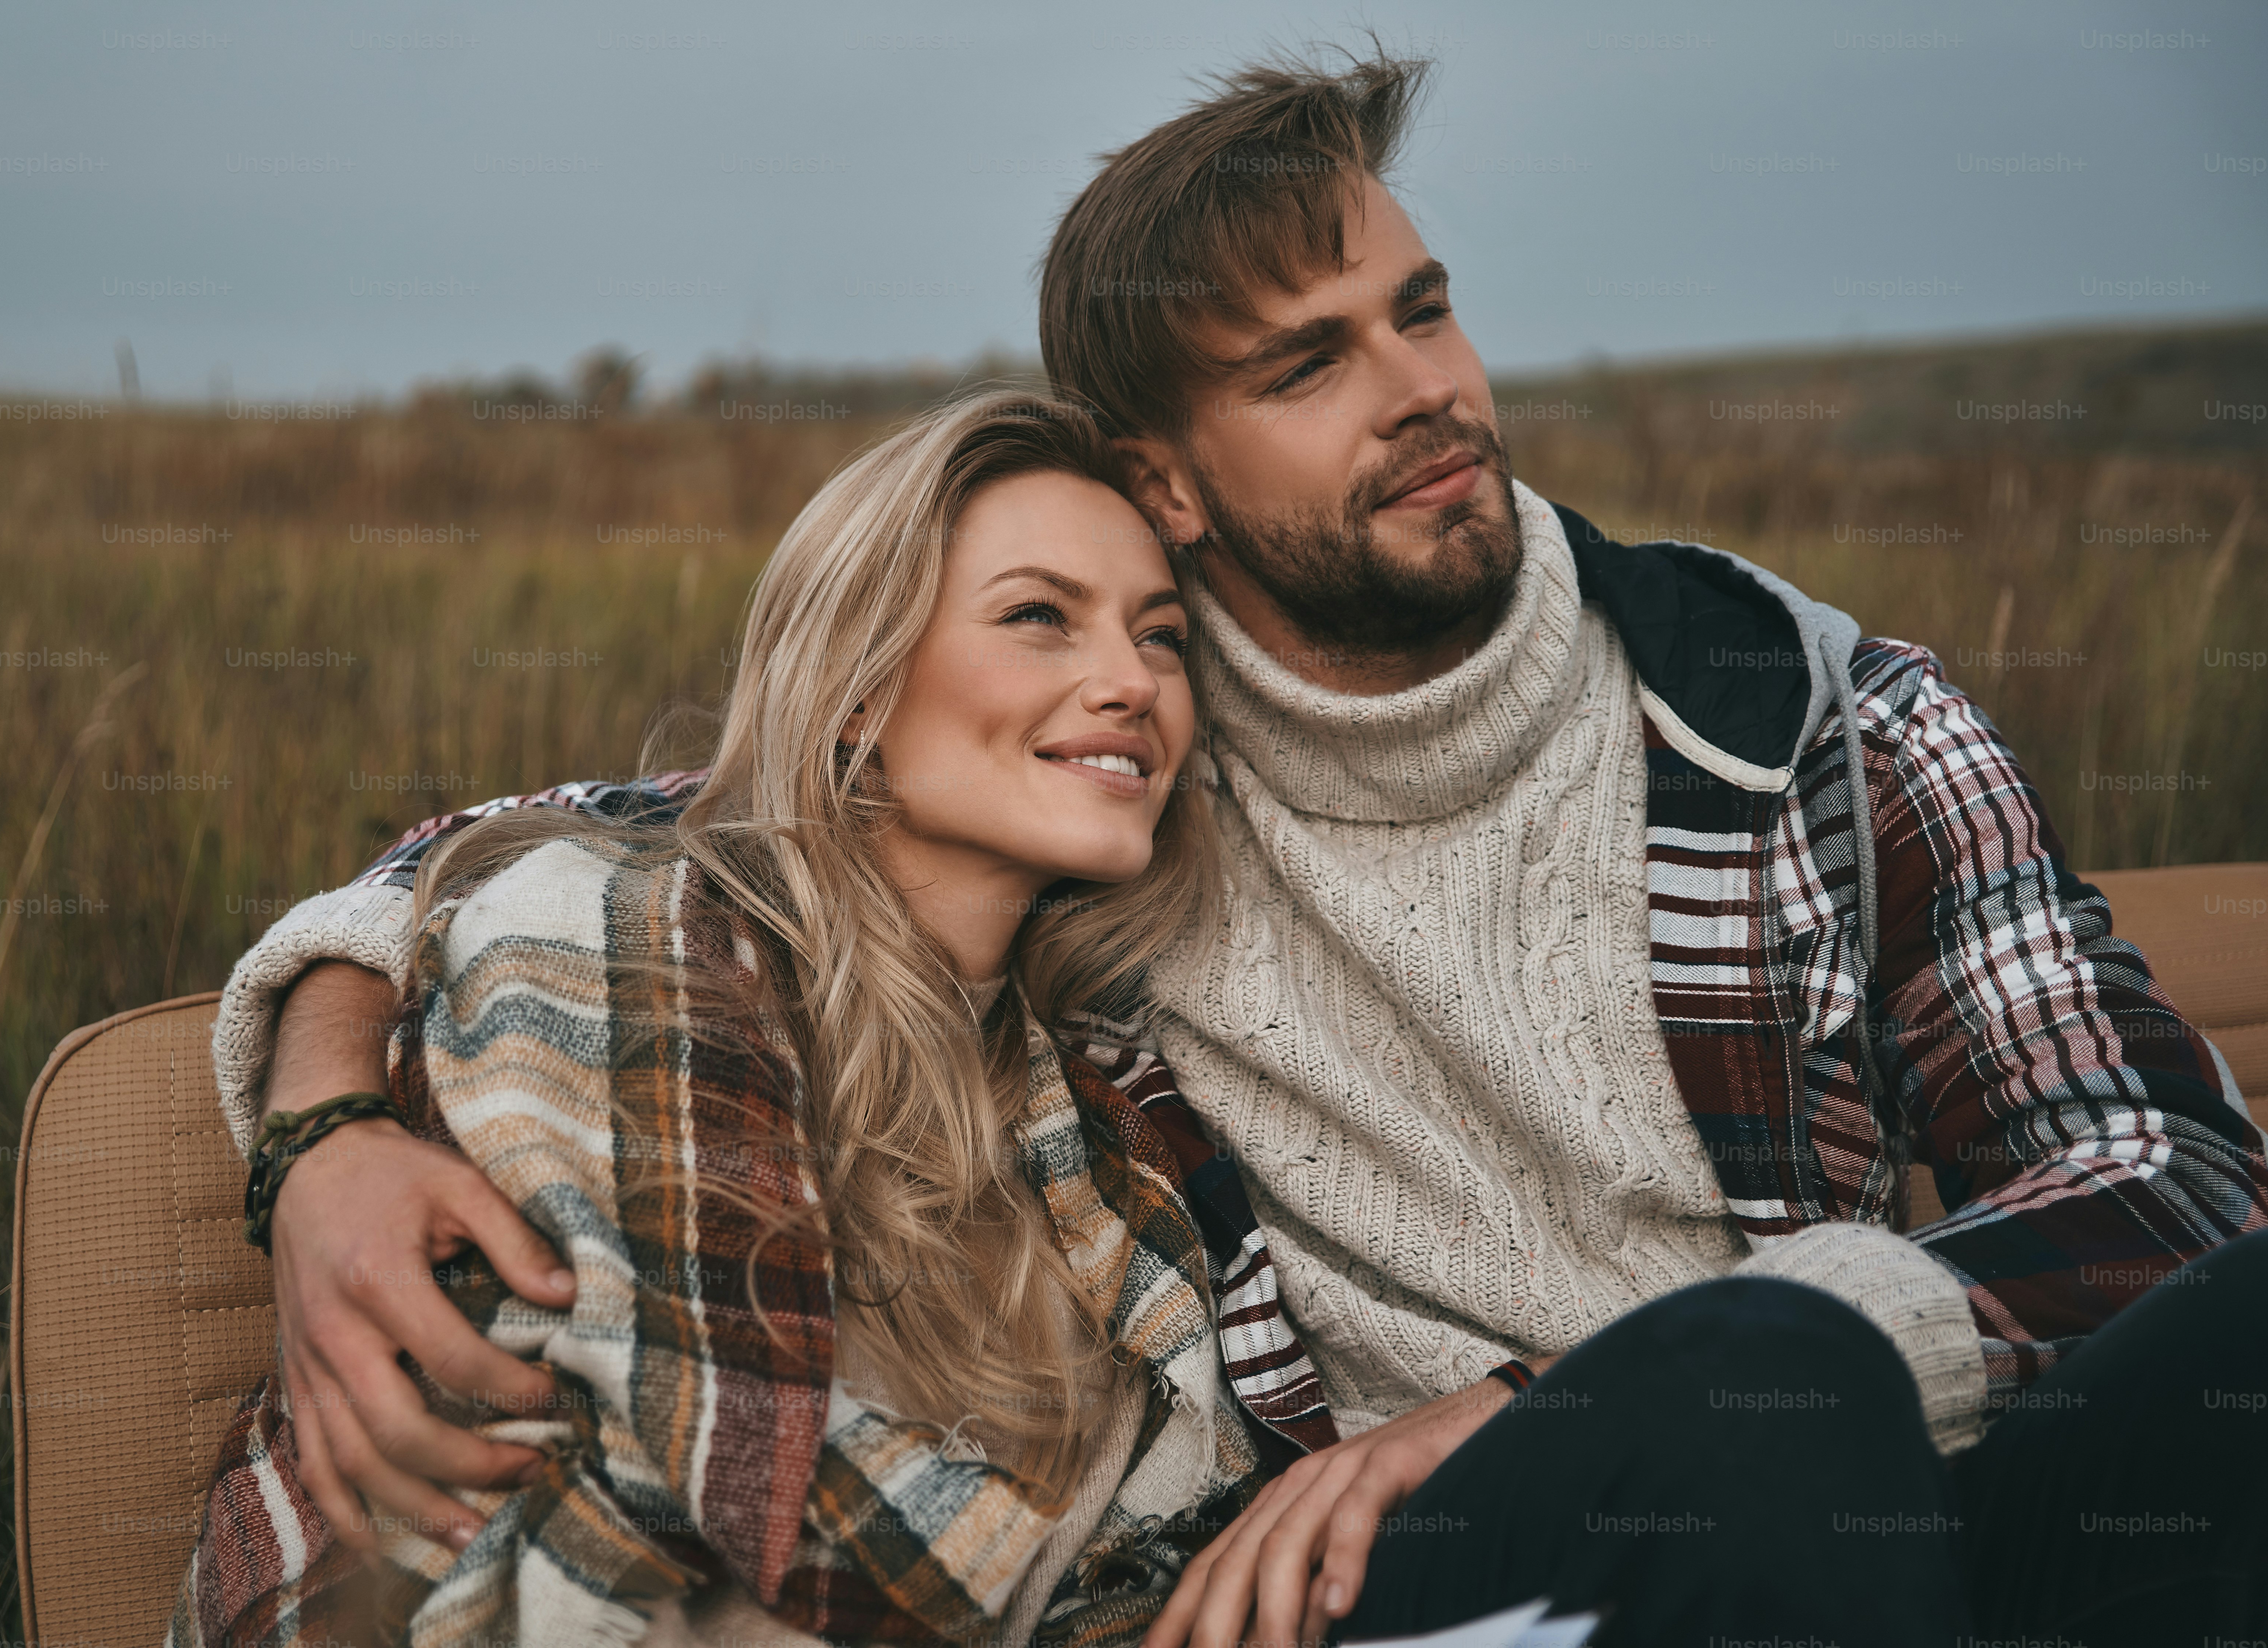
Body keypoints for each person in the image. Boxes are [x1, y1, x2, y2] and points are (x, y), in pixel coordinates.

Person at [209, 46, 2268, 1648]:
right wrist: (319, 1112)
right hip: (1422, 1567)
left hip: (1858, 1472)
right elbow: (600, 842)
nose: (1431, 393)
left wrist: (1600, 1376)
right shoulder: (1119, 791)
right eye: (1309, 364)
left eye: (1423, 310)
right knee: (1763, 1382)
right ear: (1162, 479)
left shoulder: (1824, 726)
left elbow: (2159, 1182)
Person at [175, 392, 1342, 1648]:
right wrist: (319, 1116)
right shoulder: (615, 944)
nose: (1128, 682)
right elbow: (614, 1516)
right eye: (1037, 617)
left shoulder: (1101, 1131)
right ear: (857, 690)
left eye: (1160, 637)